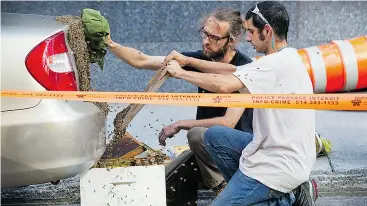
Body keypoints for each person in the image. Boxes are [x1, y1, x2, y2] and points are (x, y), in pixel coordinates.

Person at [163, 1, 318, 205]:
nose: (247, 37)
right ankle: (247, 192)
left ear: (267, 31)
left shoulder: (271, 65)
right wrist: (189, 61)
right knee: (213, 136)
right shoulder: (287, 57)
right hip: (277, 150)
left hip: (277, 166)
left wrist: (182, 73)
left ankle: (288, 197)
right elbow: (233, 72)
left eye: (251, 31)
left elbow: (224, 84)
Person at [106, 8, 254, 193]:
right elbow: (142, 60)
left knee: (196, 134)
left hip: (236, 153)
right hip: (207, 151)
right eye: (205, 33)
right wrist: (110, 43)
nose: (205, 41)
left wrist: (181, 124)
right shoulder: (198, 60)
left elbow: (228, 122)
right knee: (162, 183)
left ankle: (223, 189)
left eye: (214, 38)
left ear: (231, 41)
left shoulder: (243, 68)